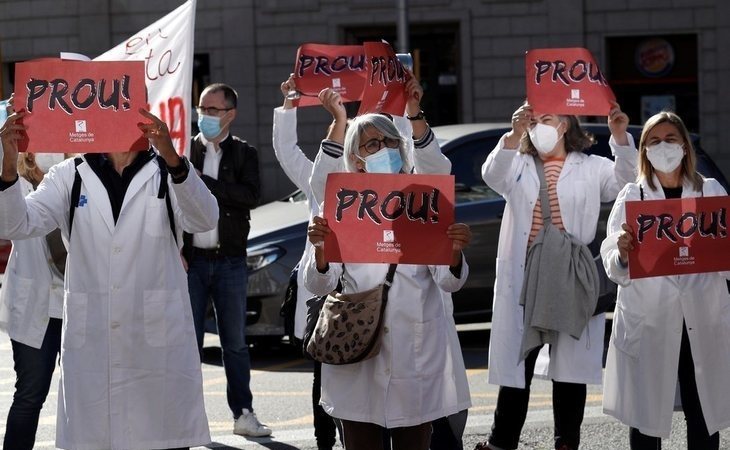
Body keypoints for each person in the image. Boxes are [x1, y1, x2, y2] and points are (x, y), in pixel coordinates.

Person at [0, 105, 216, 450]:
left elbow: (205, 219)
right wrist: (9, 165)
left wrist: (174, 159)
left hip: (155, 343)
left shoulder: (165, 170)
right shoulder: (70, 174)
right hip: (93, 342)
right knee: (97, 437)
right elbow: (14, 225)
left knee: (161, 438)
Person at [303, 112, 472, 450]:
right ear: (356, 158)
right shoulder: (339, 203)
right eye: (374, 144)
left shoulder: (424, 200)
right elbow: (319, 283)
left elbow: (449, 282)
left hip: (415, 347)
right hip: (358, 348)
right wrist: (321, 248)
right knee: (361, 440)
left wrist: (453, 252)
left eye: (391, 141)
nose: (386, 149)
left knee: (414, 440)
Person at [476, 101, 637, 450]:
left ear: (564, 125)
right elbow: (491, 174)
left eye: (544, 120)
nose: (538, 127)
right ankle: (501, 442)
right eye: (533, 121)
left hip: (570, 278)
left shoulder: (591, 167)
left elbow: (627, 181)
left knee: (569, 372)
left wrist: (621, 137)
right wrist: (514, 134)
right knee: (519, 366)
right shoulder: (517, 164)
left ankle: (566, 443)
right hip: (526, 279)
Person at [600, 111, 730, 450]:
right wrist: (624, 252)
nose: (663, 147)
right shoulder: (633, 195)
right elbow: (613, 261)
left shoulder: (711, 192)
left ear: (685, 146)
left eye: (670, 139)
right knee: (647, 415)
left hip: (701, 316)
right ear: (643, 151)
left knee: (701, 408)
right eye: (654, 141)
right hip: (650, 318)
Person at [182, 82, 268, 437]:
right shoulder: (184, 152)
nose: (204, 116)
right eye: (201, 109)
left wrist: (206, 183)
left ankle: (243, 413)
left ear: (230, 114)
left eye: (212, 110)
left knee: (234, 343)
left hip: (230, 261)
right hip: (192, 262)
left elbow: (249, 196)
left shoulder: (244, 154)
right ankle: (186, 418)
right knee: (188, 344)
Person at [0, 148, 68, 450]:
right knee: (30, 394)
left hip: (75, 306)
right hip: (34, 307)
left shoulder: (77, 179)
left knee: (84, 397)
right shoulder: (13, 185)